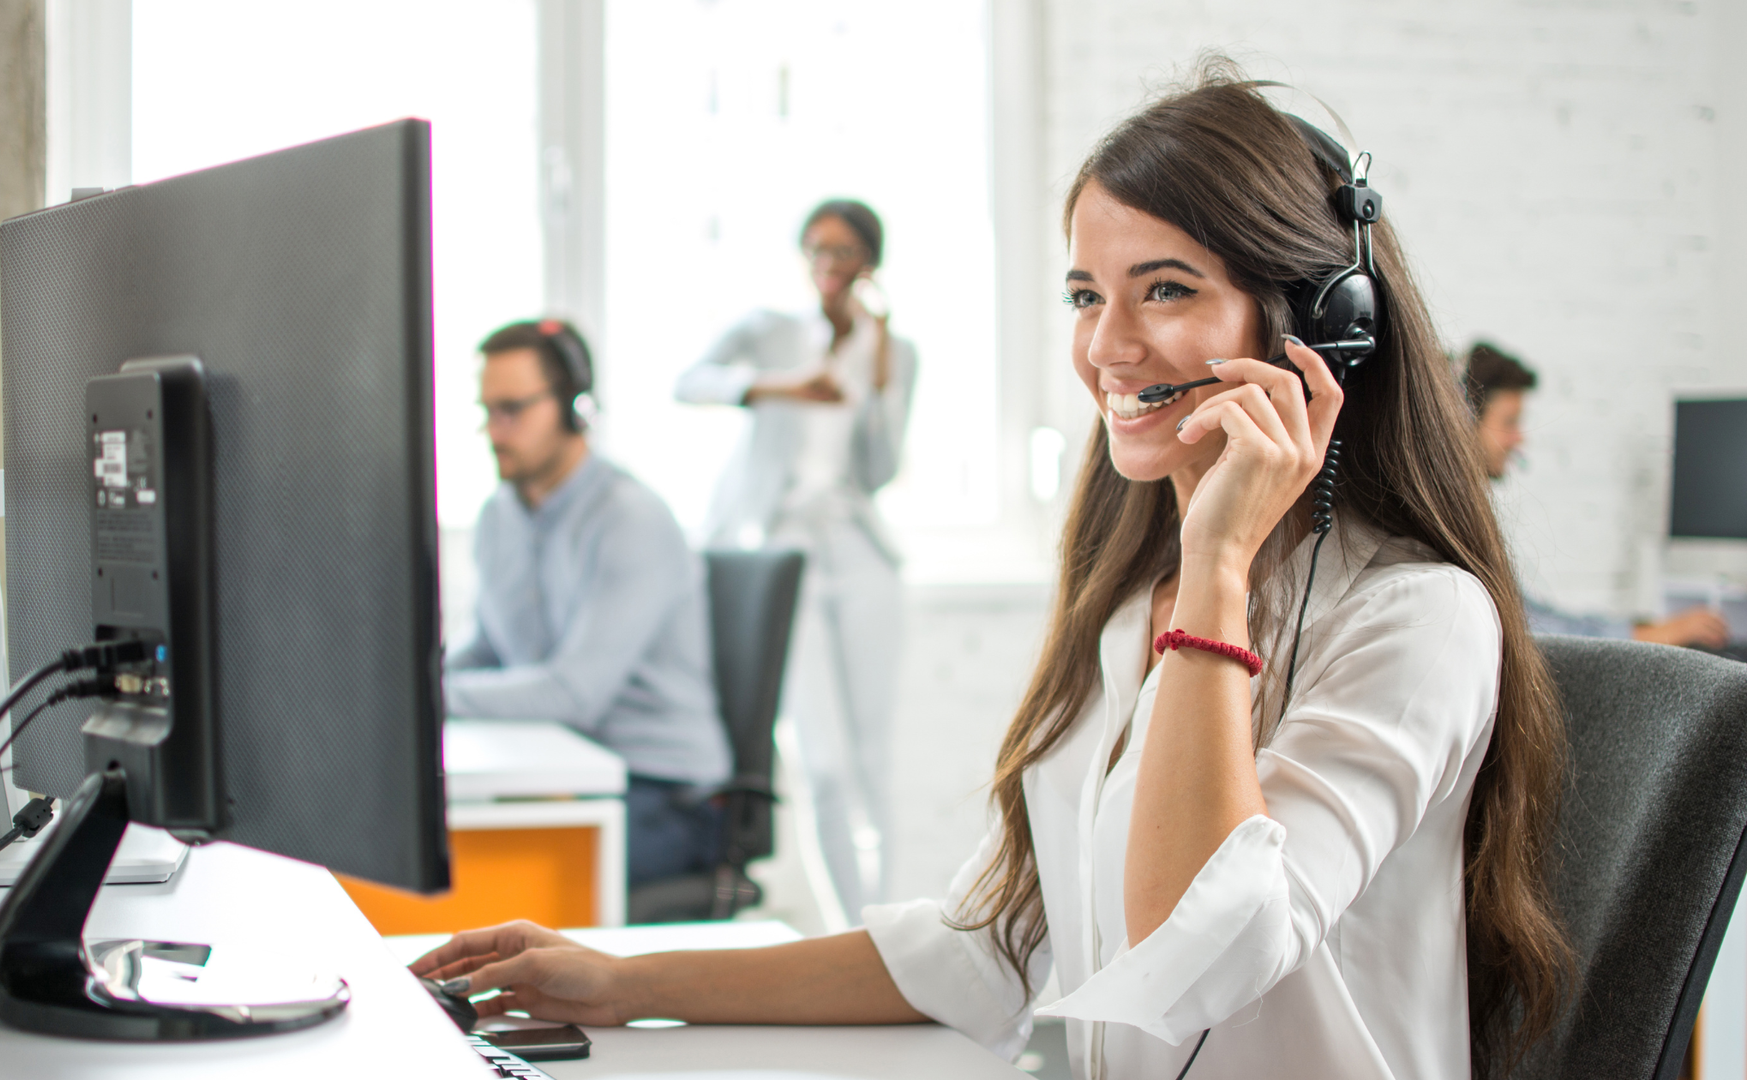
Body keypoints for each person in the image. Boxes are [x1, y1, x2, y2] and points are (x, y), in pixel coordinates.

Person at [414, 66, 1570, 1080]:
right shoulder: (1129, 610)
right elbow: (988, 944)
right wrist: (621, 985)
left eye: (1165, 288)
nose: (1107, 347)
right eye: (1085, 295)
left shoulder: (1417, 620)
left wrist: (1218, 561)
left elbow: (1198, 957)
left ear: (1321, 326)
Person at [673, 199, 918, 922]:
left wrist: (878, 378)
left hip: (858, 548)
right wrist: (780, 387)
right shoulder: (770, 332)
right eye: (815, 249)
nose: (827, 265)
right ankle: (851, 931)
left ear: (869, 263)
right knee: (824, 763)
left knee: (874, 760)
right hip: (781, 549)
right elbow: (688, 382)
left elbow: (879, 469)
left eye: (842, 252)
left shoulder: (893, 350)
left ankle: (888, 925)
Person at [444, 319, 732, 888]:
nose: (495, 432)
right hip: (565, 771)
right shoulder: (499, 515)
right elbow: (490, 647)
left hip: (664, 795)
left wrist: (429, 701)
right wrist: (407, 688)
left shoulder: (629, 518)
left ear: (575, 408)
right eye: (487, 411)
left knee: (481, 877)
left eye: (512, 410)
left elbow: (574, 694)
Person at [1465, 341, 1729, 647]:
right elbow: (1536, 635)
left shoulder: (1471, 513)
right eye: (1509, 422)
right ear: (1462, 422)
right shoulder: (1458, 522)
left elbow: (1535, 616)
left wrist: (1639, 630)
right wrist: (1651, 636)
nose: (1519, 438)